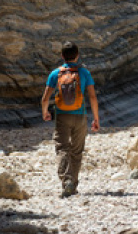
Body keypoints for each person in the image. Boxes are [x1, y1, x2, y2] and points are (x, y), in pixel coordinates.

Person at [40, 41, 100, 198]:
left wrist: (45, 112)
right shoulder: (84, 73)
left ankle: (67, 182)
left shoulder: (55, 74)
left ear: (62, 56)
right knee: (76, 150)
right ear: (77, 55)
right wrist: (96, 118)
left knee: (62, 148)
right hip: (80, 115)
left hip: (62, 116)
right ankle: (73, 183)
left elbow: (45, 98)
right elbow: (92, 97)